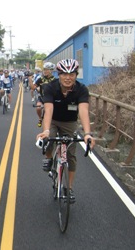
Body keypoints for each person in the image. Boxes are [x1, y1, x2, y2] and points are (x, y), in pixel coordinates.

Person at [36, 59, 95, 202]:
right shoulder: (50, 87)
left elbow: (83, 111)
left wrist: (87, 134)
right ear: (59, 74)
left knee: (71, 156)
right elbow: (48, 109)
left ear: (76, 75)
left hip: (70, 122)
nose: (68, 78)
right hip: (54, 120)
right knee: (49, 141)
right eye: (64, 74)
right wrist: (46, 131)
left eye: (71, 74)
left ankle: (68, 188)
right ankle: (50, 159)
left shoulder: (81, 89)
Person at [30, 62, 57, 127]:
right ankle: (40, 118)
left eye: (47, 69)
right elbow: (33, 88)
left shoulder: (55, 80)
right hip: (42, 98)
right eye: (44, 69)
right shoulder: (41, 79)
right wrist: (30, 79)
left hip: (52, 99)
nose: (45, 71)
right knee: (38, 107)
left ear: (51, 70)